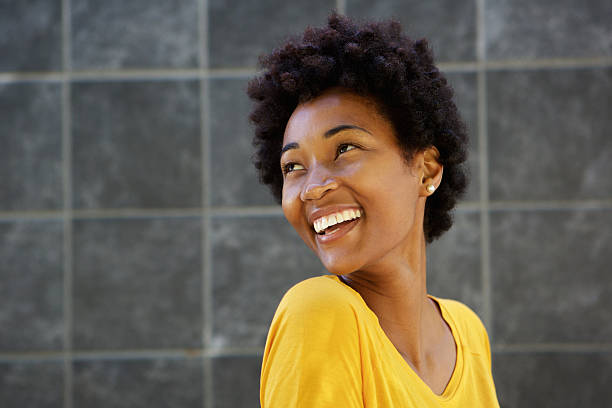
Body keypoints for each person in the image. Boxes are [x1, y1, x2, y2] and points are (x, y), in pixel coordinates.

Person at [247, 12, 499, 407]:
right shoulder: (318, 314)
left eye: (345, 148)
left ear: (426, 169)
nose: (312, 189)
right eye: (293, 167)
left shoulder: (467, 333)